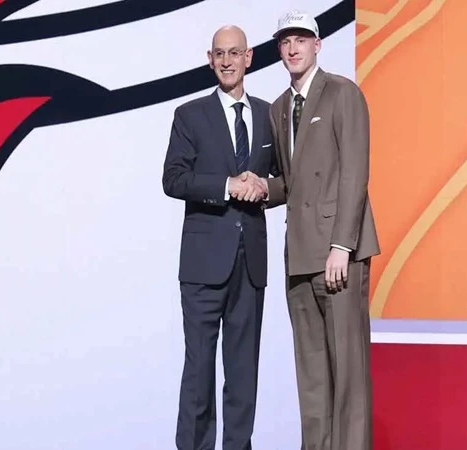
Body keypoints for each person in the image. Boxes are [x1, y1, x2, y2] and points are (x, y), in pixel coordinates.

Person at [253, 10, 381, 450]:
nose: (292, 48)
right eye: (285, 41)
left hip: (338, 253)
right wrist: (260, 187)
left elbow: (354, 173)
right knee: (311, 379)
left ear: (317, 45)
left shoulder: (342, 92)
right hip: (300, 256)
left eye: (301, 40)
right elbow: (292, 183)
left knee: (348, 373)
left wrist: (342, 245)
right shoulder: (278, 108)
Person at [162, 25, 276, 450]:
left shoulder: (269, 114)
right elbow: (173, 179)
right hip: (203, 266)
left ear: (249, 57)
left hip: (251, 264)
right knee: (199, 372)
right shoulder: (190, 115)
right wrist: (227, 186)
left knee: (244, 373)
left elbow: (285, 180)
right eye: (219, 54)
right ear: (210, 60)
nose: (227, 61)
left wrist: (264, 188)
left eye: (234, 53)